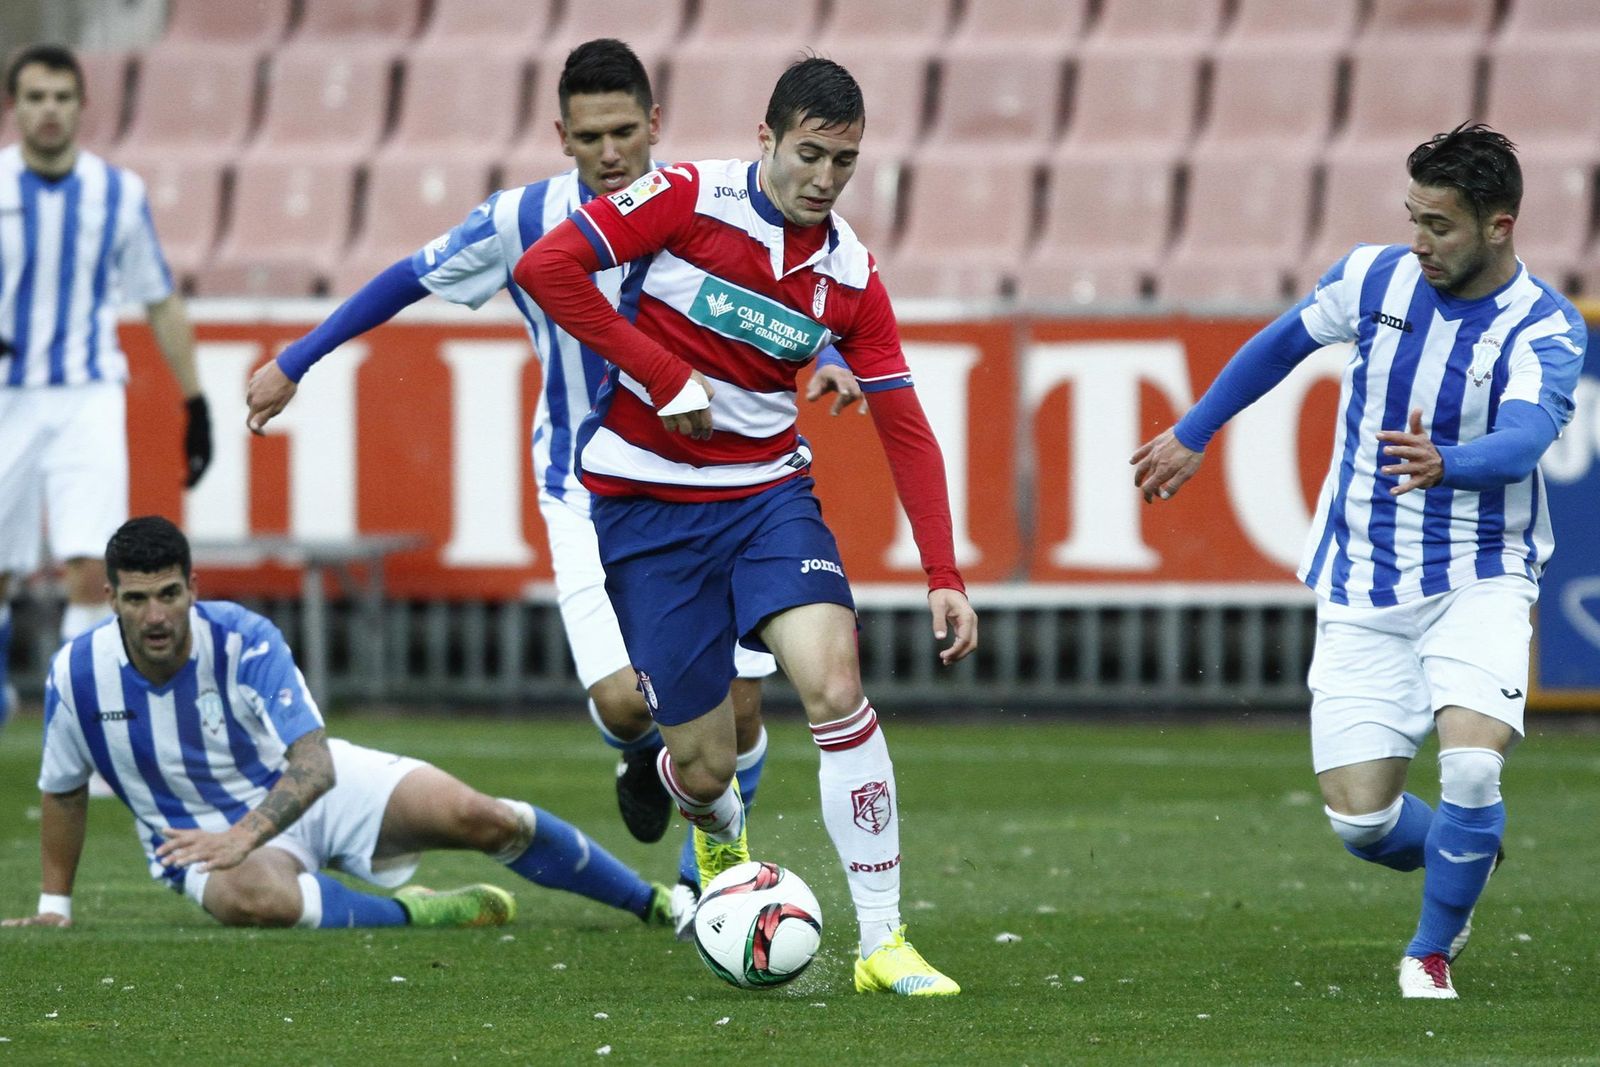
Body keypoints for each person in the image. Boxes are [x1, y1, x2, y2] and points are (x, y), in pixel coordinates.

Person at [242, 39, 861, 900]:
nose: (610, 152)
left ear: (655, 124)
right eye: (589, 136)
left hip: (724, 488)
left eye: (624, 132)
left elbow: (782, 296)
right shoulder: (520, 220)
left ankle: (705, 883)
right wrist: (297, 360)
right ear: (561, 137)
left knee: (744, 708)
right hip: (585, 485)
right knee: (623, 701)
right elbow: (410, 278)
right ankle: (642, 755)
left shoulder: (701, 206)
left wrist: (829, 354)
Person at [514, 57, 978, 997]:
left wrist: (944, 571)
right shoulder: (685, 197)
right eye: (809, 154)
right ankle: (707, 824)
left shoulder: (851, 275)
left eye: (844, 162)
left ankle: (883, 941)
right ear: (766, 138)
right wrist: (662, 373)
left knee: (835, 684)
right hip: (646, 506)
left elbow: (905, 425)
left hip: (768, 499)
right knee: (704, 762)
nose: (825, 178)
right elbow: (545, 268)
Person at [1130, 123, 1584, 1000]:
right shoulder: (1374, 277)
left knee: (1473, 764)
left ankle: (1430, 952)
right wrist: (1194, 430)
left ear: (1499, 226)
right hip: (1362, 576)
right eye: (1413, 218)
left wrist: (1450, 461)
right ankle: (1464, 848)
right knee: (1364, 822)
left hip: (1480, 573)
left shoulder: (1544, 327)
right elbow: (1282, 343)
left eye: (1440, 225)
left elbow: (1527, 438)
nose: (1419, 241)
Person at [3, 515, 690, 934]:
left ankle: (655, 903)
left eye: (169, 594)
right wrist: (54, 902)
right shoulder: (77, 675)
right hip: (202, 841)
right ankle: (422, 911)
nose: (155, 616)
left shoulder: (244, 639)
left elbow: (315, 764)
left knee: (482, 816)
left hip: (305, 795)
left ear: (193, 588)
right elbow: (62, 790)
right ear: (109, 597)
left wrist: (246, 830)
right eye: (137, 599)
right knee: (257, 901)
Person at [0, 45, 212, 729]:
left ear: (82, 105)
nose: (50, 110)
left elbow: (158, 296)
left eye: (62, 97)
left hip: (89, 391)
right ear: (15, 107)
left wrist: (196, 401)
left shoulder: (117, 193)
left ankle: (79, 723)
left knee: (93, 565)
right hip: (6, 395)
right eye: (36, 97)